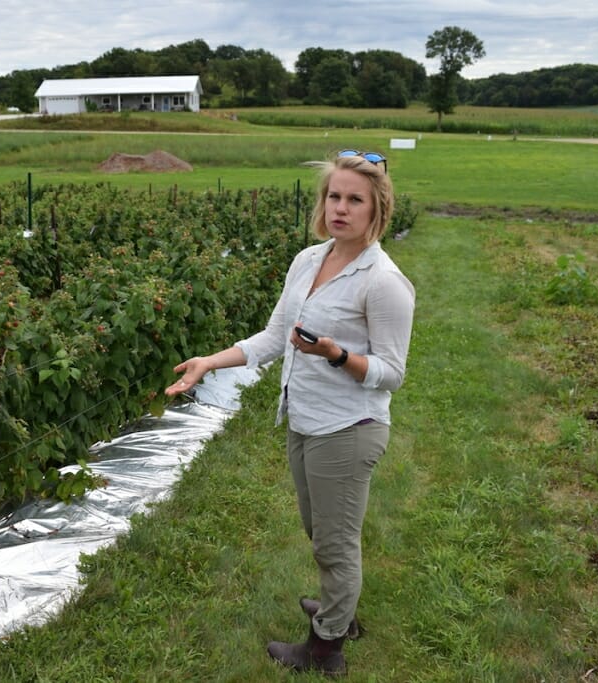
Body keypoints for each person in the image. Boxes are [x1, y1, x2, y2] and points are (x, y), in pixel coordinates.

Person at [165, 150, 415, 677]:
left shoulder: (383, 281)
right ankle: (337, 607)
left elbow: (392, 371)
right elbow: (276, 336)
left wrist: (337, 355)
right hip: (304, 418)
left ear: (377, 211)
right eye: (334, 196)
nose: (340, 208)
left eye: (355, 200)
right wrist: (211, 361)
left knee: (335, 540)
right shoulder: (309, 260)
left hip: (350, 427)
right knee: (318, 528)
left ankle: (327, 646)